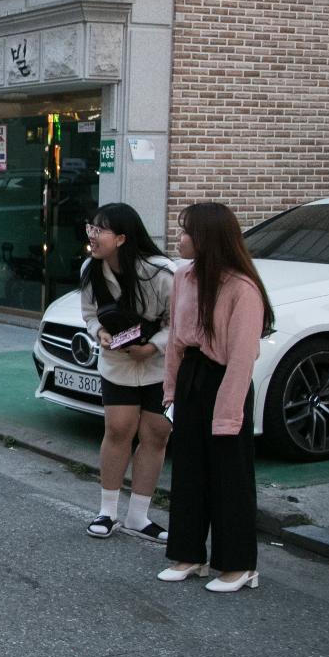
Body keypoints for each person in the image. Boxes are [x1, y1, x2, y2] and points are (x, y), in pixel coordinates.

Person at [159, 202, 273, 593]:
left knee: (229, 475)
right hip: (192, 376)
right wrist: (170, 391)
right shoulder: (183, 276)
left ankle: (239, 565)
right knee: (189, 470)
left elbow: (242, 357)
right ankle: (189, 555)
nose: (180, 238)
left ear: (208, 238)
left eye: (187, 231)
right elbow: (176, 340)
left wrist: (227, 414)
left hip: (226, 380)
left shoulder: (243, 287)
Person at [80, 203, 176, 543]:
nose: (92, 236)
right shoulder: (90, 270)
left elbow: (178, 322)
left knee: (156, 434)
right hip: (117, 365)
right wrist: (99, 334)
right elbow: (90, 314)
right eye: (90, 228)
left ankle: (139, 516)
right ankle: (107, 511)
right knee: (118, 429)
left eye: (99, 230)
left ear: (121, 238)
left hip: (159, 367)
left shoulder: (161, 273)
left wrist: (154, 347)